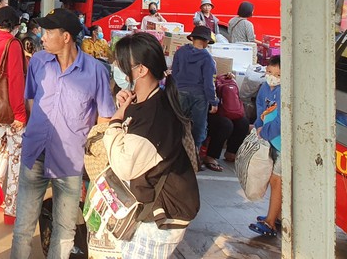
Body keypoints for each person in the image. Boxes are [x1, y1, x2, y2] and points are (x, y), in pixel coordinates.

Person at [11, 9, 116, 259]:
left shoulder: (95, 72)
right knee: (23, 227)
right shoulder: (38, 62)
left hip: (70, 161)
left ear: (66, 37)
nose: (43, 38)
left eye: (48, 32)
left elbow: (104, 118)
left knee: (65, 228)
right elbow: (31, 101)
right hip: (34, 153)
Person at [104, 32, 200, 258]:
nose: (118, 69)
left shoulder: (155, 116)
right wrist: (127, 105)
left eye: (122, 65)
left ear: (141, 70)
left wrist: (117, 118)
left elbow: (124, 163)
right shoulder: (148, 99)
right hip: (152, 206)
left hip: (162, 217)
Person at [0, 6, 27, 225]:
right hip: (11, 110)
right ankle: (11, 210)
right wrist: (20, 114)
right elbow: (16, 81)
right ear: (14, 24)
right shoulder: (13, 45)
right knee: (16, 160)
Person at [171, 25, 218, 160]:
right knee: (199, 126)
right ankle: (194, 155)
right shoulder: (208, 59)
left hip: (180, 92)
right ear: (206, 41)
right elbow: (209, 84)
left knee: (179, 124)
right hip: (199, 96)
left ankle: (176, 155)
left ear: (192, 38)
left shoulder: (180, 52)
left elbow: (174, 73)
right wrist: (214, 102)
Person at [249, 56, 282, 238]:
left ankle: (270, 223)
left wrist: (264, 131)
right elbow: (260, 106)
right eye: (270, 72)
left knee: (277, 181)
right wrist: (258, 125)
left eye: (278, 75)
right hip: (271, 140)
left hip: (282, 143)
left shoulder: (284, 91)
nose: (272, 77)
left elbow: (281, 120)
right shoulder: (265, 87)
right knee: (275, 180)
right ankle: (276, 215)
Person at [203, 74, 250, 171]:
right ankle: (211, 156)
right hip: (206, 110)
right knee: (225, 125)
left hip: (223, 109)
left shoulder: (214, 71)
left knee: (243, 122)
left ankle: (231, 152)